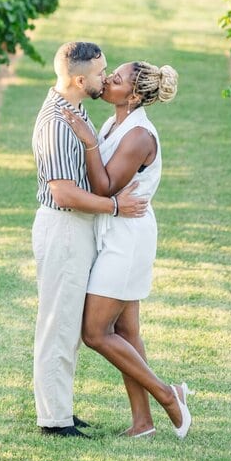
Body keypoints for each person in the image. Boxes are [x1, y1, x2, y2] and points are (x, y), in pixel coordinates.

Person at [61, 60, 191, 439]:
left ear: (133, 96)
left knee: (96, 332)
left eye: (115, 80)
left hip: (127, 240)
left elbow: (103, 187)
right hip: (114, 232)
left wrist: (87, 142)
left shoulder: (138, 136)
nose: (107, 81)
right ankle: (142, 422)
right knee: (127, 332)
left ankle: (169, 396)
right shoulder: (115, 122)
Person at [32, 41, 149, 438]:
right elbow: (63, 192)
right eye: (101, 72)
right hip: (64, 226)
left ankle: (61, 407)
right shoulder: (57, 123)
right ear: (81, 80)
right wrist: (114, 207)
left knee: (68, 324)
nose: (107, 76)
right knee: (58, 324)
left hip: (77, 228)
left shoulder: (75, 111)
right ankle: (54, 420)